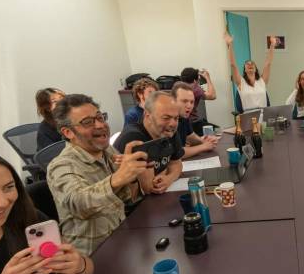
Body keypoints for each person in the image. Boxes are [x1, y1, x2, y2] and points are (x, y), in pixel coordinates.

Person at [47, 94, 161, 254]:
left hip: (121, 239)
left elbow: (127, 198)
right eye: (88, 122)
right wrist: (118, 178)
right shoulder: (61, 166)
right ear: (68, 132)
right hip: (92, 255)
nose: (100, 125)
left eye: (100, 117)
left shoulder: (107, 151)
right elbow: (78, 204)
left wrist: (133, 175)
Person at [225, 32, 276, 111]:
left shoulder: (262, 81)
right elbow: (233, 65)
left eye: (252, 64)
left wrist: (272, 45)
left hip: (263, 115)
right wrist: (230, 44)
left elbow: (268, 64)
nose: (250, 64)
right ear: (245, 70)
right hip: (248, 117)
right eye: (247, 64)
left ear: (255, 69)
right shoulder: (241, 82)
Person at [171, 81, 219, 158]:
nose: (189, 106)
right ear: (173, 101)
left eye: (192, 102)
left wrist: (205, 141)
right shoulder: (169, 121)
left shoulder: (184, 117)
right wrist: (204, 146)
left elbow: (191, 137)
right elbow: (177, 153)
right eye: (184, 101)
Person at [179, 67, 217, 132]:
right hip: (192, 124)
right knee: (216, 130)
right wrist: (207, 77)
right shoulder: (195, 88)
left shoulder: (178, 87)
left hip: (181, 124)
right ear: (194, 80)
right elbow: (212, 96)